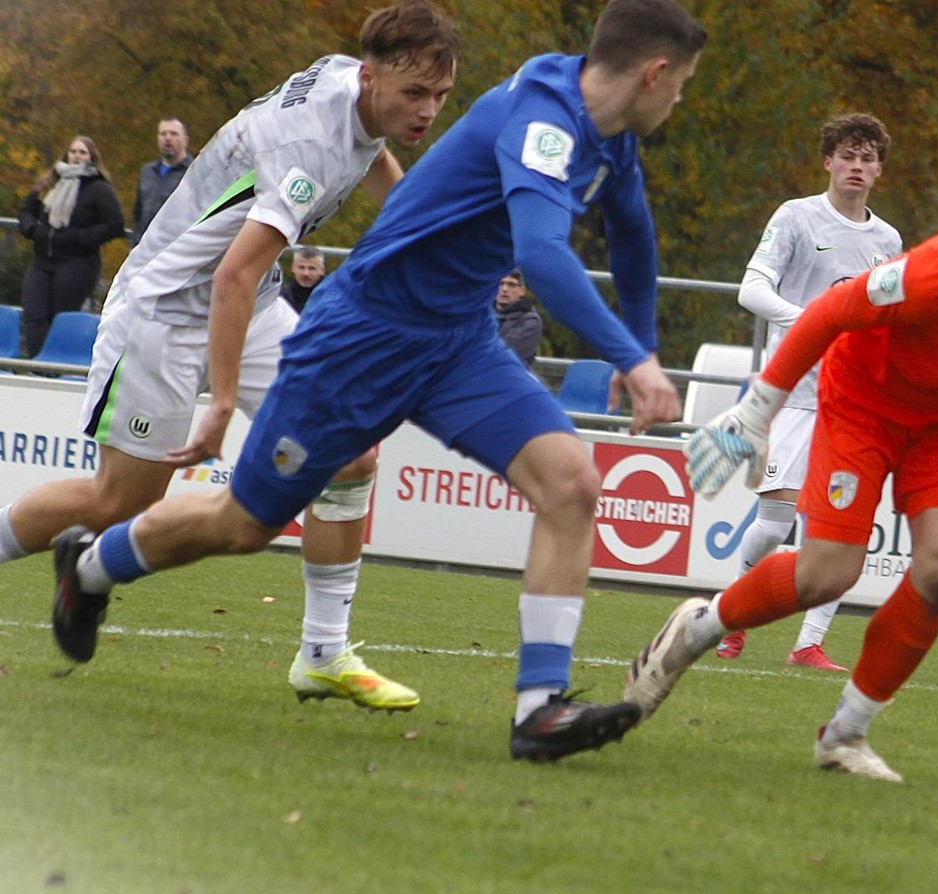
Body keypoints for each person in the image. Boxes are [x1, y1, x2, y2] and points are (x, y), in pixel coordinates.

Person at [50, 0, 704, 763]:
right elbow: (545, 256)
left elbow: (632, 235)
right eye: (684, 84)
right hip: (358, 342)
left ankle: (538, 710)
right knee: (244, 523)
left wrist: (645, 344)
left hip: (458, 342)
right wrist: (632, 359)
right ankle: (88, 567)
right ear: (654, 73)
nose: (681, 98)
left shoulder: (608, 136)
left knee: (572, 483)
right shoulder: (541, 120)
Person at [3, 1, 462, 712]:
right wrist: (221, 404)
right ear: (371, 78)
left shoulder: (356, 83)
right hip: (164, 309)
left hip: (247, 307)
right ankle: (73, 560)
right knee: (119, 501)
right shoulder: (307, 147)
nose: (427, 109)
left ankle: (323, 654)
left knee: (349, 455)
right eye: (414, 94)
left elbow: (367, 157)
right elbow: (233, 275)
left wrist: (412, 218)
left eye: (440, 96)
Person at [624, 168, 938, 782]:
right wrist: (755, 414)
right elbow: (830, 311)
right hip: (864, 396)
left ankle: (845, 734)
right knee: (827, 575)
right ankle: (701, 627)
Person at [716, 112, 902, 672]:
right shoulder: (797, 217)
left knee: (845, 534)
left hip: (855, 401)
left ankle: (808, 644)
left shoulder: (887, 238)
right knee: (774, 523)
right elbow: (751, 290)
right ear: (828, 161)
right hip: (796, 394)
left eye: (867, 158)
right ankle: (732, 618)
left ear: (878, 171)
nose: (856, 165)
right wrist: (815, 320)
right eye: (847, 155)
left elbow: (890, 313)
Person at [15, 135, 124, 356]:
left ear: (91, 158)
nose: (76, 156)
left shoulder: (99, 188)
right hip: (42, 261)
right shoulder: (50, 182)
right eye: (73, 151)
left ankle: (55, 366)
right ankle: (38, 364)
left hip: (77, 264)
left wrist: (80, 237)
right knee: (34, 314)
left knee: (60, 316)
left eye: (82, 153)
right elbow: (26, 210)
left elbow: (115, 224)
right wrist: (32, 230)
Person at [130, 118, 193, 247]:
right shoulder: (147, 171)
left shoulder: (194, 172)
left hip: (175, 249)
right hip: (144, 248)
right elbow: (138, 212)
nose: (167, 138)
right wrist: (133, 244)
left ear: (185, 140)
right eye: (163, 134)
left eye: (174, 134)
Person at [494, 269, 543, 369]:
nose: (505, 289)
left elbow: (501, 355)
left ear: (522, 291)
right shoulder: (481, 312)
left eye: (511, 285)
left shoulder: (530, 322)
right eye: (500, 283)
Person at [280, 245, 327, 314]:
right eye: (301, 267)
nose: (306, 273)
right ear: (293, 268)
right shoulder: (281, 297)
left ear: (322, 270)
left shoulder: (331, 297)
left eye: (312, 268)